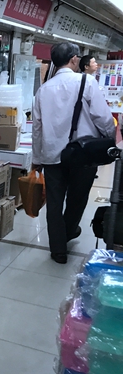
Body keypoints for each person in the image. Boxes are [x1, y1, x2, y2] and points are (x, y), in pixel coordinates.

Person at [32, 43, 115, 264]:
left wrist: (37, 159)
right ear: (74, 60)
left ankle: (58, 249)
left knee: (55, 202)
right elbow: (103, 117)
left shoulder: (43, 90)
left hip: (52, 154)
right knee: (78, 199)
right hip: (83, 155)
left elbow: (37, 128)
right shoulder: (86, 82)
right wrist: (112, 139)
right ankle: (68, 231)